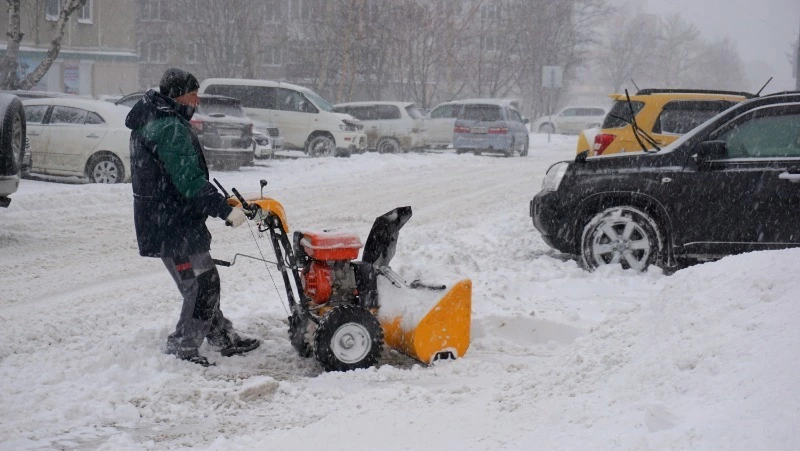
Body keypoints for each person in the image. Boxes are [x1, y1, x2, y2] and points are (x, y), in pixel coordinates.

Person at [125, 67, 260, 367]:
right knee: (201, 285)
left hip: (168, 219)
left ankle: (220, 335)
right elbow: (189, 182)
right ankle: (183, 345)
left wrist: (222, 202)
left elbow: (179, 177)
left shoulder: (154, 119)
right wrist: (225, 210)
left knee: (203, 281)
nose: (197, 101)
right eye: (193, 94)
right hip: (172, 223)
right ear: (178, 95)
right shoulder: (169, 127)